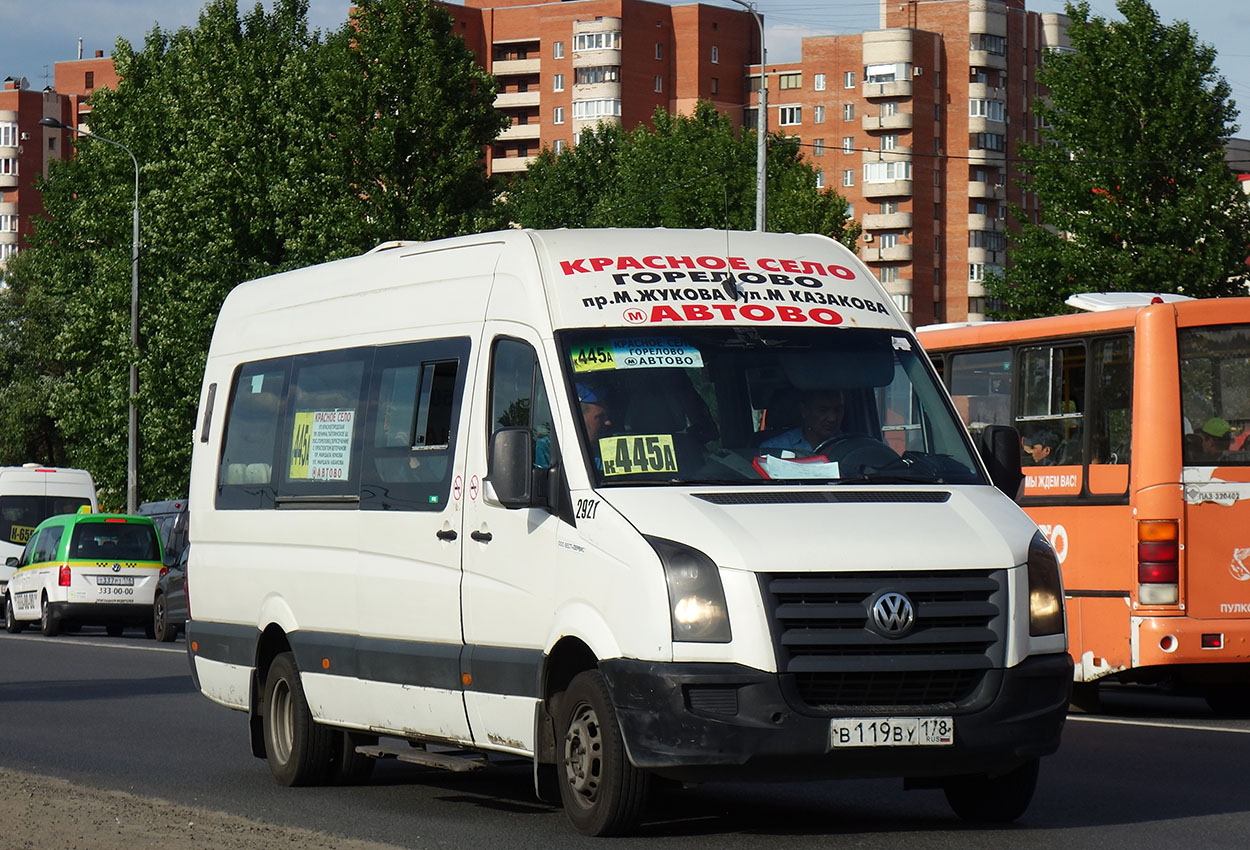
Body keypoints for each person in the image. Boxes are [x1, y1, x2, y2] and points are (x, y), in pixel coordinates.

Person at [535, 382, 612, 469]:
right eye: (600, 417)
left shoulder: (607, 449)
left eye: (607, 416)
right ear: (577, 418)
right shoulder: (546, 448)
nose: (608, 422)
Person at [760, 388, 845, 453]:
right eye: (823, 410)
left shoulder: (852, 448)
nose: (832, 418)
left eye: (837, 410)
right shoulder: (774, 449)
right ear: (804, 411)